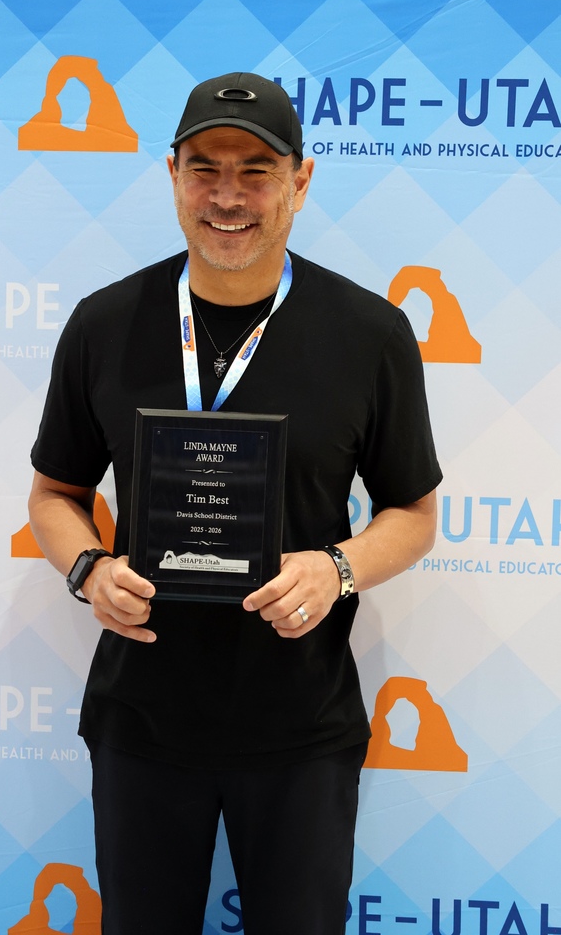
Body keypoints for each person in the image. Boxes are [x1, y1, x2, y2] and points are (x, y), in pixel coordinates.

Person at [28, 71, 442, 935]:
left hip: (300, 724)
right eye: (203, 167)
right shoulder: (104, 324)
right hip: (143, 719)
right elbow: (55, 493)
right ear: (171, 173)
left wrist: (337, 568)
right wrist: (87, 567)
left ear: (301, 179)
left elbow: (412, 513)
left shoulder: (371, 333)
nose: (227, 196)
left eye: (255, 170)